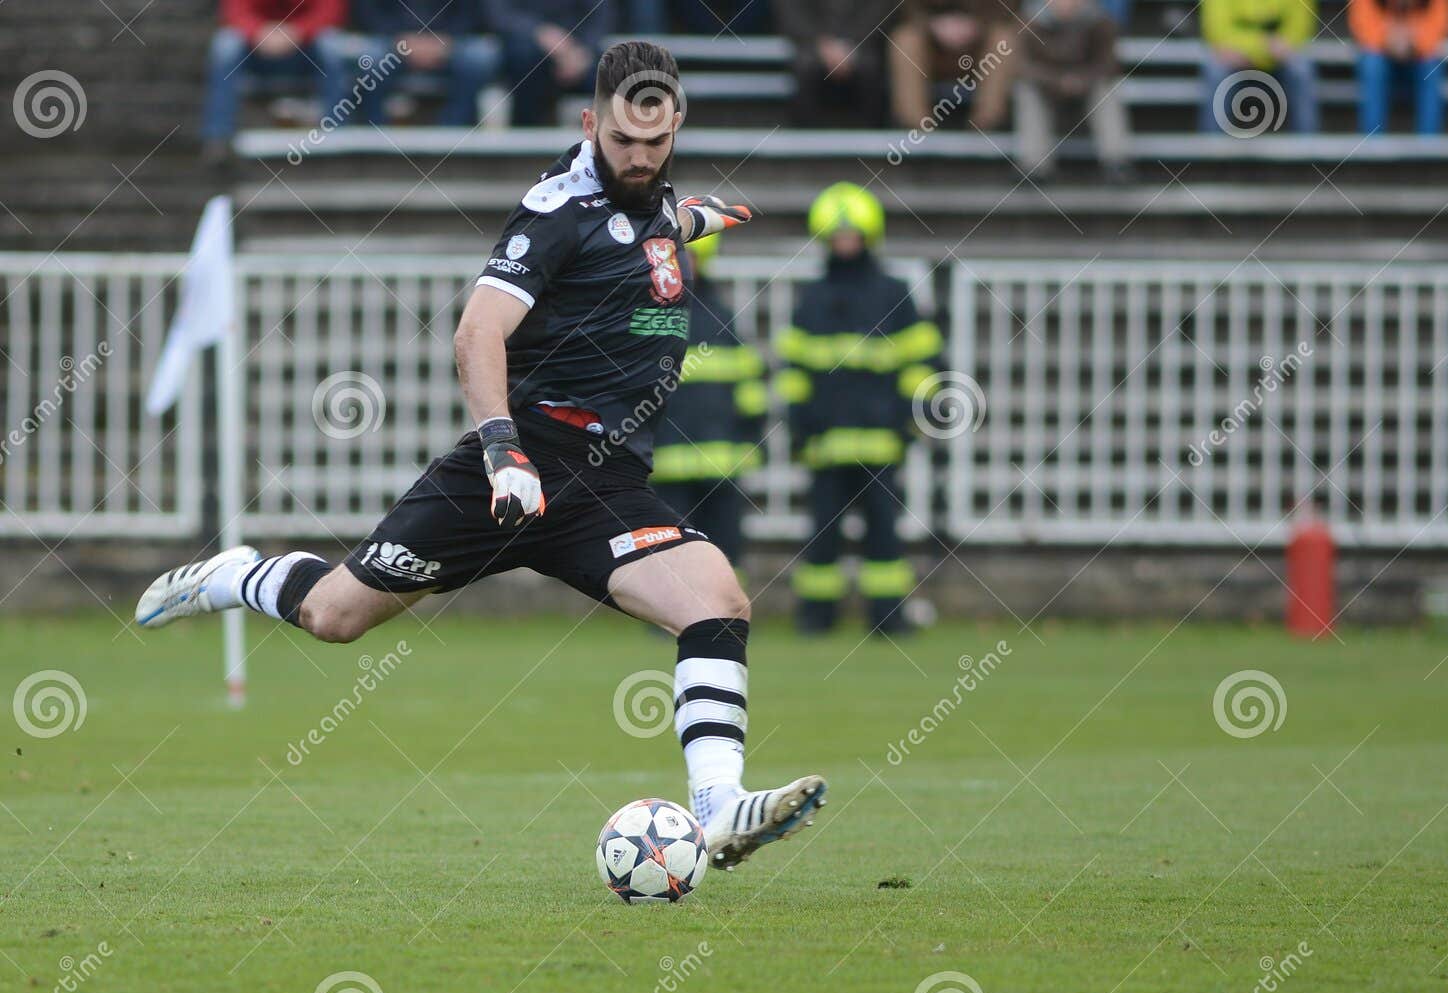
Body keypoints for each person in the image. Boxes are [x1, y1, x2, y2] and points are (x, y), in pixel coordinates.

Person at [135, 42, 826, 871]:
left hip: (604, 484)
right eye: (620, 143)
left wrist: (704, 216)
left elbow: (656, 222)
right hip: (513, 471)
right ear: (588, 124)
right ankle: (236, 574)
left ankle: (719, 808)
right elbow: (476, 331)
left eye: (655, 142)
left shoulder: (654, 197)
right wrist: (503, 451)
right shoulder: (553, 210)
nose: (638, 159)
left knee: (717, 598)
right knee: (335, 617)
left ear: (676, 124)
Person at [777, 183, 944, 637]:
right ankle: (816, 619)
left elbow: (922, 361)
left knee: (884, 539)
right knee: (822, 538)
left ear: (868, 236)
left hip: (880, 441)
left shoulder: (893, 293)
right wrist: (797, 421)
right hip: (826, 443)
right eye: (837, 234)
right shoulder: (811, 298)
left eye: (851, 233)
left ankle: (888, 618)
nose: (845, 241)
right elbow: (795, 369)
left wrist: (911, 416)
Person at [652, 232, 769, 574]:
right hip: (668, 462)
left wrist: (751, 435)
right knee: (671, 547)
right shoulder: (647, 319)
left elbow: (748, 383)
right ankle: (671, 614)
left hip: (721, 461)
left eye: (693, 259)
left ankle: (726, 616)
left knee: (726, 547)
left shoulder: (722, 317)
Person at [201, 0, 349, 160]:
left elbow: (330, 12)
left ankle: (336, 134)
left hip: (306, 48)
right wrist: (258, 32)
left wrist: (297, 32)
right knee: (225, 45)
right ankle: (219, 137)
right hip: (257, 49)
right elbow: (235, 11)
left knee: (332, 45)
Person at [1015, 0, 1132, 181]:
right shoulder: (1030, 22)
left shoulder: (1100, 21)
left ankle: (1116, 161)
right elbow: (1022, 66)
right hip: (1048, 88)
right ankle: (1034, 165)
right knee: (1027, 90)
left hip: (1087, 88)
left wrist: (1080, 80)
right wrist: (1059, 81)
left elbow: (1109, 64)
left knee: (1107, 90)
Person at [344, 0, 500, 126]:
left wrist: (446, 40)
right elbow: (367, 12)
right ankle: (375, 136)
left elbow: (474, 12)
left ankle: (453, 135)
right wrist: (400, 39)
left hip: (450, 42)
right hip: (391, 41)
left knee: (480, 57)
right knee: (371, 58)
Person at [889, 0, 1018, 134]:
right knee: (905, 40)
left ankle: (984, 129)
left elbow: (1011, 13)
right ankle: (918, 131)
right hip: (932, 47)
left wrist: (979, 24)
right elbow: (905, 11)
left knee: (1004, 40)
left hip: (981, 45)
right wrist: (931, 25)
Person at [1198, 0, 1319, 135]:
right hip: (1237, 58)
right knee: (1215, 70)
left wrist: (1275, 48)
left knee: (1301, 68)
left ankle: (1307, 149)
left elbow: (1300, 27)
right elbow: (1217, 30)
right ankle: (1212, 150)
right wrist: (1262, 48)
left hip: (1280, 57)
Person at [484, 0, 611, 126]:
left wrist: (581, 52)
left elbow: (600, 17)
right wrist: (540, 32)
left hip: (578, 48)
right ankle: (528, 131)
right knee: (525, 59)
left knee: (612, 69)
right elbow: (500, 15)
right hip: (525, 46)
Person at [777, 0, 894, 128]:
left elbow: (881, 10)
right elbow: (791, 13)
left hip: (865, 44)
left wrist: (853, 44)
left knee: (871, 67)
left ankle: (872, 139)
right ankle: (804, 138)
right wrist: (821, 44)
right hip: (811, 45)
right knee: (806, 66)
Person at [1349, 0, 1448, 135]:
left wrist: (1414, 40)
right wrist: (1387, 38)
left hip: (1418, 56)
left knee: (1432, 65)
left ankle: (1429, 147)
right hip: (1381, 54)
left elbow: (1440, 21)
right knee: (1372, 64)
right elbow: (1362, 20)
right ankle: (1372, 146)